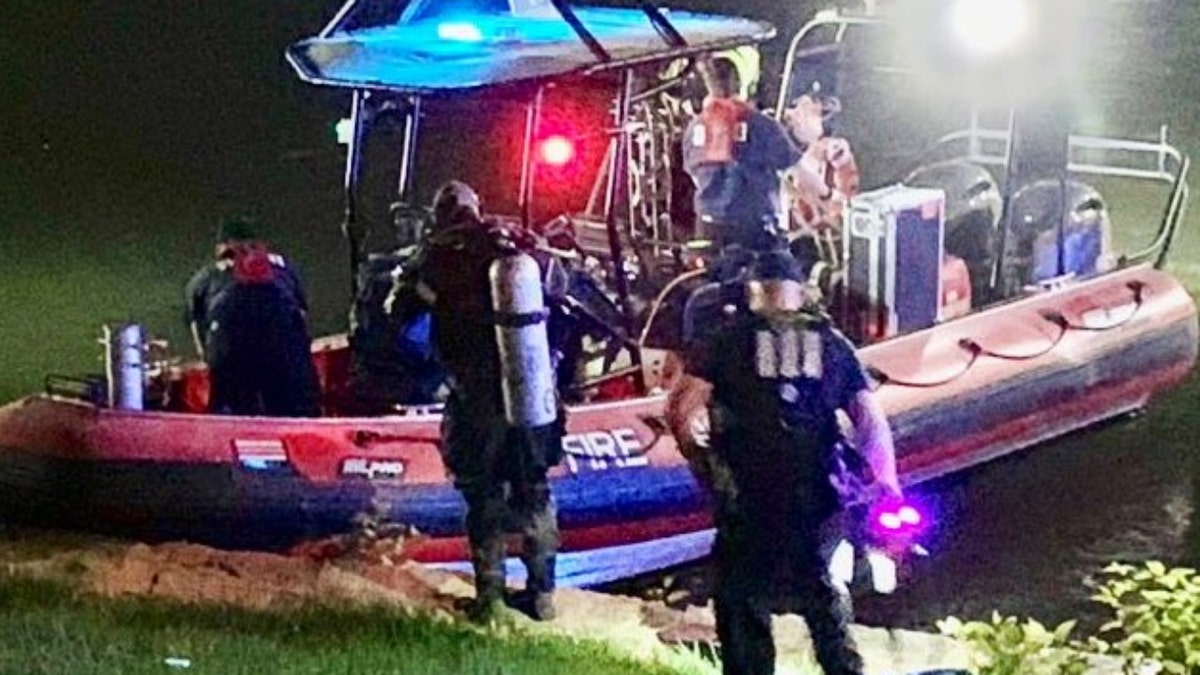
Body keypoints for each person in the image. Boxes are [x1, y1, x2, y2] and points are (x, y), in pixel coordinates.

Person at [666, 249, 902, 675]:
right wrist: (885, 484)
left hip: (747, 494)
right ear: (800, 291)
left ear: (753, 289)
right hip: (815, 492)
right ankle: (843, 669)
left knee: (741, 598)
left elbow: (682, 409)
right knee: (823, 595)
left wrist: (704, 466)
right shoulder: (832, 344)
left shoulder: (727, 339)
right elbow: (871, 421)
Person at [392, 181, 567, 622]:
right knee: (535, 490)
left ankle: (490, 600)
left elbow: (399, 311)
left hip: (477, 395)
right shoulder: (518, 244)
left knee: (483, 492)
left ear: (439, 215)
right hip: (532, 387)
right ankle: (543, 596)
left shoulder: (438, 253)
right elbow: (562, 297)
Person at [185, 216, 321, 417]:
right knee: (293, 411)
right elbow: (301, 315)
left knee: (234, 412)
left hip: (231, 343)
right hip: (283, 342)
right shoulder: (285, 267)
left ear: (221, 247)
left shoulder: (204, 276)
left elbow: (199, 332)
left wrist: (211, 361)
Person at [682, 58, 804, 252]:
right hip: (754, 230)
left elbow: (695, 175)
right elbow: (798, 169)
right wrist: (829, 197)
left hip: (708, 227)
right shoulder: (762, 125)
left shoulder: (694, 128)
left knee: (710, 279)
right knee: (785, 277)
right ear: (740, 85)